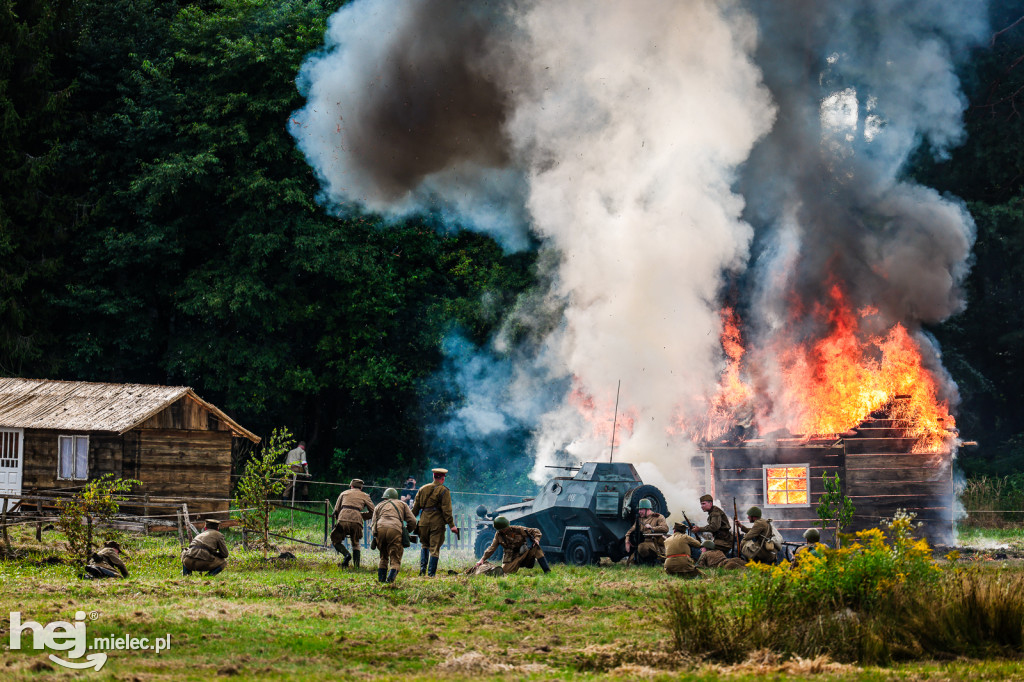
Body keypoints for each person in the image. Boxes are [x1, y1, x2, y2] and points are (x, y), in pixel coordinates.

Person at [412, 468, 458, 577]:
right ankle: (431, 574)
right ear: (443, 478)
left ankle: (422, 572)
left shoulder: (422, 489)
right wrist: (452, 525)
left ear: (433, 477)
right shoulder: (444, 490)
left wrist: (409, 522)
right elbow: (447, 511)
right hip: (436, 523)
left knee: (424, 545)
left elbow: (415, 509)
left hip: (423, 522)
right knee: (434, 548)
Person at [371, 488, 417, 584]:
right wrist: (405, 531)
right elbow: (412, 521)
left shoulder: (379, 505)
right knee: (395, 557)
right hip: (395, 529)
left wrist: (375, 535)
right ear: (396, 496)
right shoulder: (402, 504)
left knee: (383, 556)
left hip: (380, 528)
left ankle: (381, 581)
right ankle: (390, 581)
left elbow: (373, 523)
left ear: (385, 497)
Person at [475, 516, 551, 575]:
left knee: (536, 548)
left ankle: (547, 571)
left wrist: (537, 539)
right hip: (511, 558)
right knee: (504, 573)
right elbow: (492, 548)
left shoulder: (518, 529)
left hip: (523, 554)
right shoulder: (498, 535)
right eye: (502, 530)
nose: (505, 530)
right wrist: (482, 559)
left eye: (505, 528)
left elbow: (535, 531)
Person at [332, 478, 374, 568]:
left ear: (351, 486)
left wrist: (339, 519)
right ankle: (356, 566)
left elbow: (336, 510)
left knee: (335, 540)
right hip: (357, 520)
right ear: (361, 488)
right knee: (356, 543)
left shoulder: (344, 493)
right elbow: (373, 511)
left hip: (343, 518)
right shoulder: (365, 496)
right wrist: (361, 515)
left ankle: (347, 555)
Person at [624, 499, 668, 565]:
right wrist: (627, 541)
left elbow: (665, 528)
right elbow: (630, 531)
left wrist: (652, 528)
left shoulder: (658, 517)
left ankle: (654, 560)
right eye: (639, 510)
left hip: (655, 544)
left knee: (642, 547)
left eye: (641, 509)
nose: (639, 512)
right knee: (630, 563)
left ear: (647, 509)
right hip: (642, 543)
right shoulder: (640, 519)